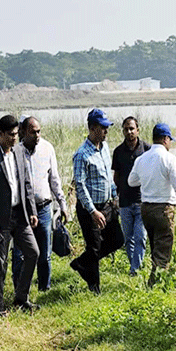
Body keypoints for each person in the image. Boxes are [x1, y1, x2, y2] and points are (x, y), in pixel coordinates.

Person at [0, 115, 39, 314]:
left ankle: (21, 297)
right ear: (0, 134)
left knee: (33, 252)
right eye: (10, 135)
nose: (14, 138)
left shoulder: (20, 152)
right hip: (0, 219)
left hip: (20, 215)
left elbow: (26, 184)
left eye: (16, 134)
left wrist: (32, 211)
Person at [70, 109, 124, 294]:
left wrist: (115, 196)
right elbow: (80, 186)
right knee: (94, 247)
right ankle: (95, 288)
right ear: (93, 128)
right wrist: (93, 211)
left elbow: (107, 177)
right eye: (103, 128)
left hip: (107, 205)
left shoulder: (105, 148)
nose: (106, 131)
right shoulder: (82, 154)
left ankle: (82, 263)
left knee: (117, 239)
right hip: (89, 209)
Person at [12, 117, 68, 292]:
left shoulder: (47, 148)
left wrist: (62, 203)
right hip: (22, 210)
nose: (37, 135)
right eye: (32, 132)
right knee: (20, 254)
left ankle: (45, 289)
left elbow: (54, 179)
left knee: (44, 254)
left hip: (44, 207)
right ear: (22, 132)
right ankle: (20, 292)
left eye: (39, 131)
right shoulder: (15, 152)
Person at [127, 123, 176, 287]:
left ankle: (155, 280)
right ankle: (155, 285)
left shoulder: (141, 159)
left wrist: (147, 179)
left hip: (146, 209)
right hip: (164, 208)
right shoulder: (169, 158)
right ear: (165, 139)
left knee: (155, 246)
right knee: (163, 250)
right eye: (169, 140)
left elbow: (131, 181)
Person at [112, 117, 151, 276]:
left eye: (132, 129)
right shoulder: (118, 151)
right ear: (123, 131)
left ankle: (134, 270)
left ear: (138, 130)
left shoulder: (146, 149)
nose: (129, 132)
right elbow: (116, 177)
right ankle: (135, 267)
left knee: (140, 237)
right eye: (126, 129)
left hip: (142, 201)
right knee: (128, 239)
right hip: (125, 202)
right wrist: (117, 195)